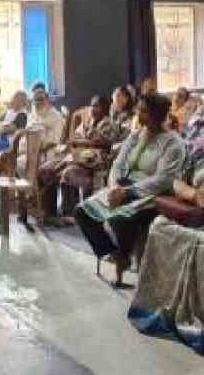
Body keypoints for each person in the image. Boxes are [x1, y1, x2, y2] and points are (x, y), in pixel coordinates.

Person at [128, 102, 204, 353]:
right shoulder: (200, 149)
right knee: (160, 226)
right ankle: (158, 306)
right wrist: (194, 196)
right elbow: (177, 181)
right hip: (199, 210)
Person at [74, 93, 187, 287]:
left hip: (152, 195)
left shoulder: (173, 142)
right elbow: (118, 164)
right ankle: (116, 254)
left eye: (143, 111)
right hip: (122, 186)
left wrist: (129, 191)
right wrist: (114, 186)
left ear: (158, 114)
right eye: (139, 110)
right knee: (82, 212)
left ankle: (123, 258)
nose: (138, 114)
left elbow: (164, 180)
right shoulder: (136, 135)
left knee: (120, 218)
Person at [37, 96, 119, 224]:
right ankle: (49, 212)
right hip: (76, 155)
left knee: (69, 173)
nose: (93, 108)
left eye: (97, 106)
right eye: (92, 105)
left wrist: (82, 142)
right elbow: (74, 138)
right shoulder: (88, 122)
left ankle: (69, 214)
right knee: (45, 168)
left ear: (105, 108)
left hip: (94, 161)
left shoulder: (109, 123)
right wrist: (82, 142)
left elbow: (101, 142)